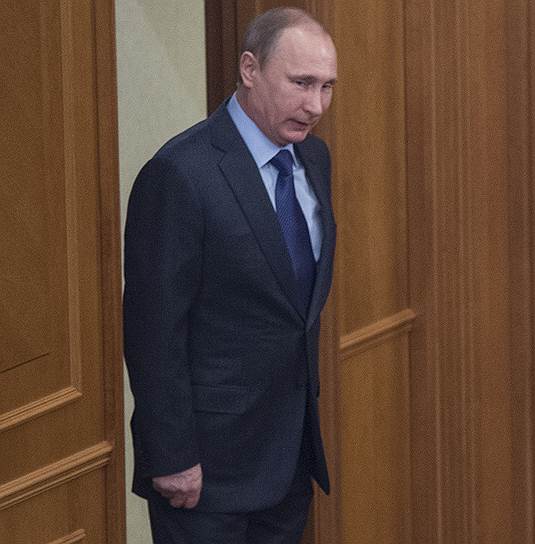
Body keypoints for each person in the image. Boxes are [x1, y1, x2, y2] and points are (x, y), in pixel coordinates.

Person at [123, 7, 338, 542]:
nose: (315, 105)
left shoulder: (314, 159)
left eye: (327, 87)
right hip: (204, 472)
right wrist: (171, 455)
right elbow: (153, 330)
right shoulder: (180, 174)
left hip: (288, 459)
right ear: (249, 69)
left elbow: (291, 310)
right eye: (301, 83)